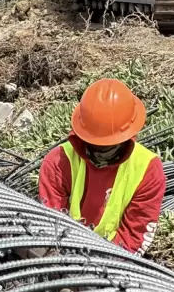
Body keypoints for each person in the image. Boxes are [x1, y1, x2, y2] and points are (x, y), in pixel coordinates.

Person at [38, 78, 166, 255]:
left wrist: (104, 267)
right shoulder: (59, 162)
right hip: (64, 252)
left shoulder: (147, 170)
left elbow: (134, 236)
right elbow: (51, 224)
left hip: (113, 259)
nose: (102, 148)